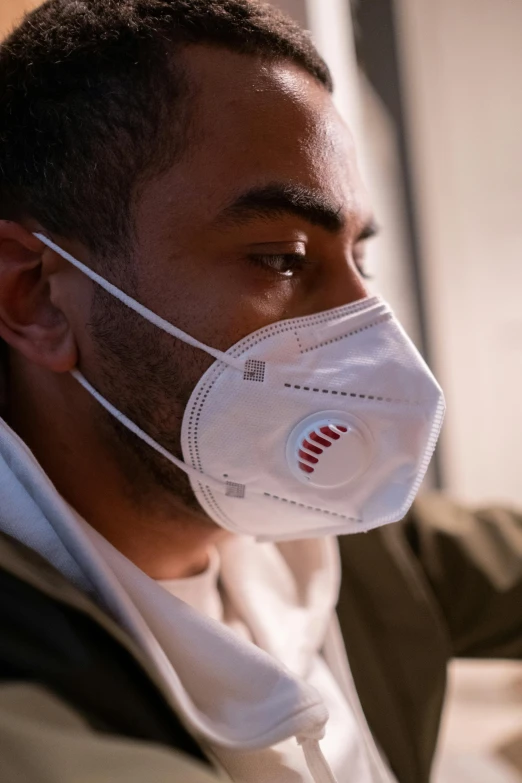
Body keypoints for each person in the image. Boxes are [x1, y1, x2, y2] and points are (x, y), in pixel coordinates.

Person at [0, 1, 520, 782]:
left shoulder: (317, 537)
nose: (368, 340)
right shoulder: (31, 706)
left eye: (358, 262)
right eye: (281, 257)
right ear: (36, 296)